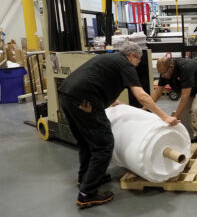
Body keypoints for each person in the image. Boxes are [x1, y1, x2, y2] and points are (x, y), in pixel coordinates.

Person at [58, 43, 179, 209]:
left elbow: (96, 80)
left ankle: (85, 178)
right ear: (131, 56)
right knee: (104, 144)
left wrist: (112, 101)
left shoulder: (109, 58)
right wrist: (164, 117)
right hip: (84, 100)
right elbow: (141, 96)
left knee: (86, 141)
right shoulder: (125, 64)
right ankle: (87, 194)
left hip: (67, 94)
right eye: (138, 60)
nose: (137, 64)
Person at [153, 56, 197, 147]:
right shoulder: (164, 71)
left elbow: (185, 96)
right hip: (191, 87)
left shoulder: (185, 68)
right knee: (183, 111)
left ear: (171, 67)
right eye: (160, 73)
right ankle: (191, 136)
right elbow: (158, 92)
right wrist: (145, 106)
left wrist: (175, 117)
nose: (163, 76)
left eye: (164, 73)